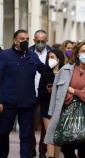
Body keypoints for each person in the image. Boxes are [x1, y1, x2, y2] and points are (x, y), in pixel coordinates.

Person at [0, 29, 46, 158]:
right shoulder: (4, 55)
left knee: (26, 136)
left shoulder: (32, 55)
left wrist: (54, 65)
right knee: (3, 132)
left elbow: (43, 70)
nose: (25, 41)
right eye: (22, 39)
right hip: (8, 102)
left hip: (27, 103)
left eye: (27, 39)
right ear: (15, 40)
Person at [38, 48, 65, 158]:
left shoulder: (65, 73)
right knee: (50, 135)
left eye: (52, 57)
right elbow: (40, 93)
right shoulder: (45, 73)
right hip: (47, 108)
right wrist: (49, 91)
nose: (50, 59)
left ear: (59, 59)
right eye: (48, 57)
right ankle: (49, 156)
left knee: (58, 137)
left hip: (61, 109)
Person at [29, 29, 52, 158]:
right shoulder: (28, 52)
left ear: (46, 40)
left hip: (45, 93)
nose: (40, 43)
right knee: (29, 124)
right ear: (34, 40)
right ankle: (31, 150)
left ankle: (43, 152)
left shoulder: (51, 53)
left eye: (43, 41)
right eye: (37, 41)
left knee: (45, 126)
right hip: (30, 92)